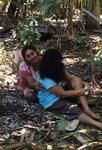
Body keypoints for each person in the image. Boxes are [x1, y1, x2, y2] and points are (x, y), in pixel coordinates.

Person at [37, 48, 102, 130]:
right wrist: (81, 91)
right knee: (75, 110)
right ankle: (97, 124)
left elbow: (71, 78)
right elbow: (63, 94)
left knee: (77, 80)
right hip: (51, 101)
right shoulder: (45, 79)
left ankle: (86, 108)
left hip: (60, 92)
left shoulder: (58, 67)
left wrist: (84, 83)